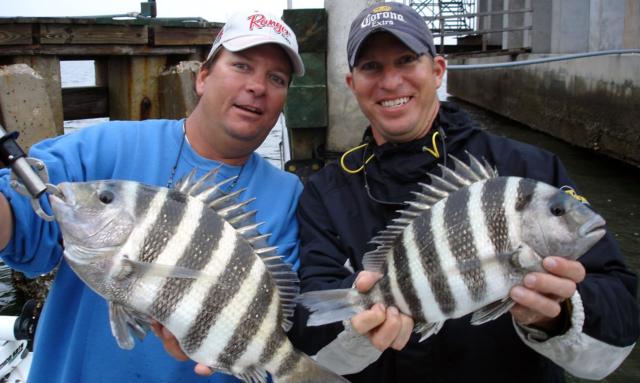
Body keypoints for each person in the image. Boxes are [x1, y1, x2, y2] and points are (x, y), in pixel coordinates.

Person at [290, 3, 639, 382]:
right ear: (352, 83)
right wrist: (358, 335)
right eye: (371, 66)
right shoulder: (325, 192)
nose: (390, 82)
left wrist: (560, 314)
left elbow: (620, 317)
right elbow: (313, 331)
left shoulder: (530, 170)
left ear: (437, 70)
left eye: (406, 59)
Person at [0, 10, 305, 383]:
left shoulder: (289, 196)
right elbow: (20, 217)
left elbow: (275, 311)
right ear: (203, 77)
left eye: (277, 78)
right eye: (241, 65)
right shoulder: (103, 148)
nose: (258, 86)